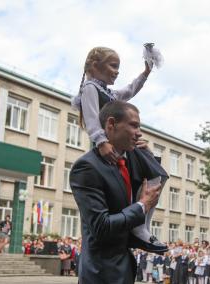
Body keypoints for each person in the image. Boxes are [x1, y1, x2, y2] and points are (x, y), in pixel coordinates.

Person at [71, 46, 167, 254]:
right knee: (152, 173)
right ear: (95, 66)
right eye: (113, 66)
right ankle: (139, 226)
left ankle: (141, 226)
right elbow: (90, 116)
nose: (117, 71)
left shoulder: (109, 92)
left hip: (118, 147)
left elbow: (130, 90)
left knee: (157, 174)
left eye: (118, 67)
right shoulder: (90, 88)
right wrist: (101, 141)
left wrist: (146, 73)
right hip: (107, 146)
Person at [70, 101, 165, 284]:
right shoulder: (87, 167)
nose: (139, 132)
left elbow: (152, 180)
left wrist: (148, 159)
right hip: (101, 274)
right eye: (133, 125)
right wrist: (142, 205)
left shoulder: (130, 161)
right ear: (111, 124)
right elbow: (102, 227)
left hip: (125, 269)